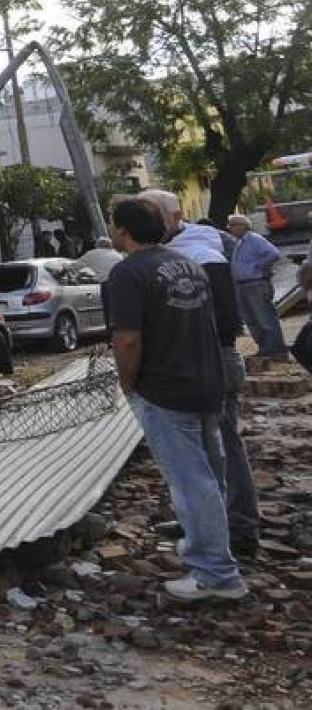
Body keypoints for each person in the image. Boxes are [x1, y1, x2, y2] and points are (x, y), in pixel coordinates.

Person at [103, 197, 244, 600]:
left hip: (165, 390)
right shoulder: (188, 264)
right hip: (206, 384)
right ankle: (211, 549)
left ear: (124, 230)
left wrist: (128, 384)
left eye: (113, 223)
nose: (111, 230)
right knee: (210, 475)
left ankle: (216, 574)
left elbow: (127, 340)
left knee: (190, 482)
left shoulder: (127, 273)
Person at [141, 190, 259, 558]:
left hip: (213, 359)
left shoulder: (202, 253)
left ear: (176, 217)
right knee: (195, 450)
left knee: (224, 445)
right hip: (187, 362)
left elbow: (225, 320)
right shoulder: (168, 252)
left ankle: (240, 526)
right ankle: (202, 521)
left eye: (152, 214)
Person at [227, 214, 289, 358]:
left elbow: (273, 254)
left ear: (242, 226)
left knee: (265, 318)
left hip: (255, 283)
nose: (230, 228)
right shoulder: (239, 242)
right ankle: (265, 349)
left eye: (233, 225)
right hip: (243, 284)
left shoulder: (254, 239)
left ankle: (277, 351)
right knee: (252, 320)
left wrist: (258, 268)